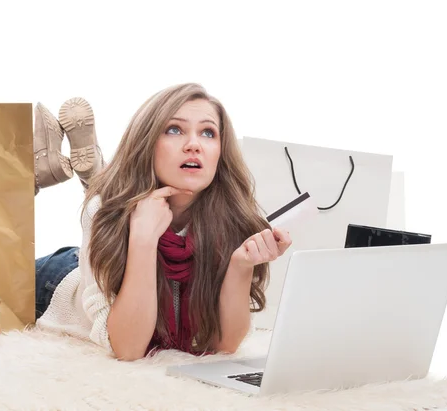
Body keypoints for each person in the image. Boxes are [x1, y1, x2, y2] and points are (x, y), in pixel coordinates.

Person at [33, 83, 292, 361]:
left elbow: (225, 343)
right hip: (57, 279)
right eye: (174, 130)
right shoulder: (102, 211)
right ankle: (36, 175)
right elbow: (128, 348)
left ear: (220, 150)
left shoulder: (232, 218)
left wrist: (241, 265)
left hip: (100, 256)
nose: (193, 144)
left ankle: (97, 170)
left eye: (208, 133)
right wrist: (143, 237)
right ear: (147, 144)